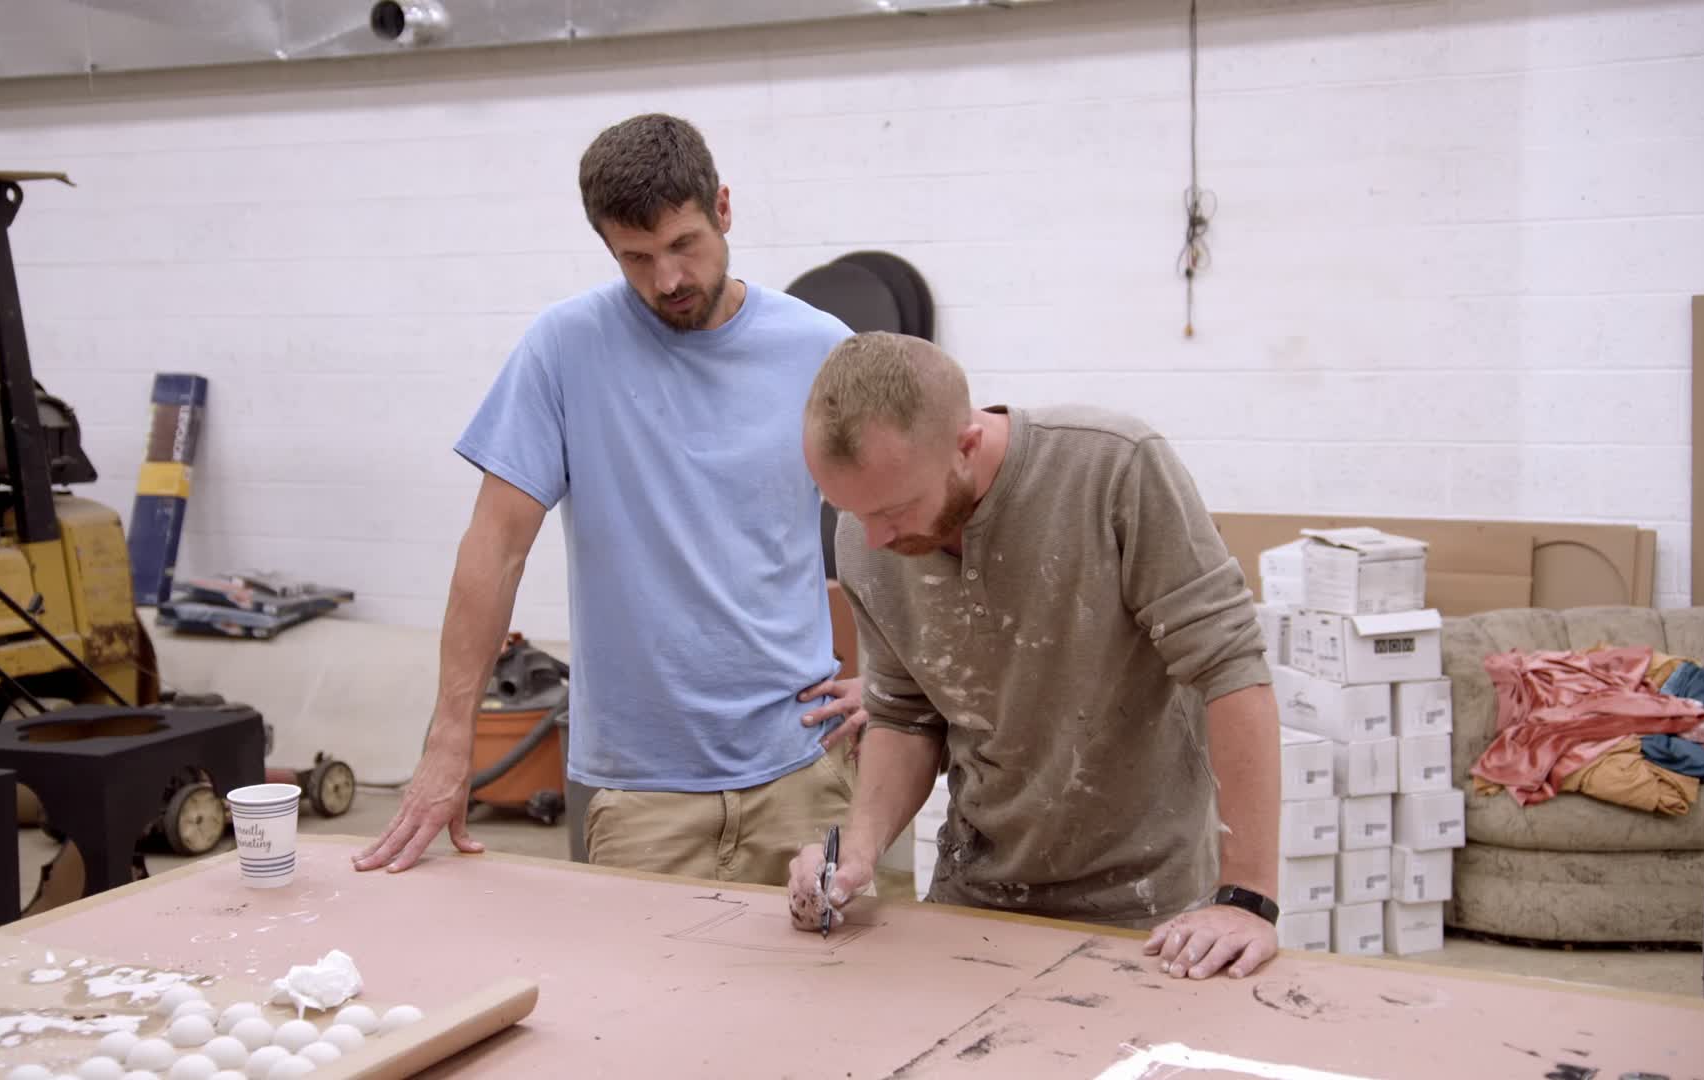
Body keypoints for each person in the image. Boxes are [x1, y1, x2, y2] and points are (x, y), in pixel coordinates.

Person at [353, 113, 865, 885]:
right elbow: (495, 548)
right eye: (637, 258)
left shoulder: (818, 348)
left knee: (821, 964)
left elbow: (903, 522)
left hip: (802, 768)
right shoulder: (564, 348)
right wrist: (450, 740)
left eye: (685, 244)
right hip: (641, 792)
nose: (668, 280)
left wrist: (896, 687)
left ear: (723, 208)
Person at [784, 331, 1285, 981]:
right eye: (850, 510)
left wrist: (1246, 898)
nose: (874, 538)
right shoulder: (867, 535)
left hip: (1150, 910)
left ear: (967, 445)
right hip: (976, 897)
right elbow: (904, 716)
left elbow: (1231, 668)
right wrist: (857, 848)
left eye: (896, 510)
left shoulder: (1113, 469)